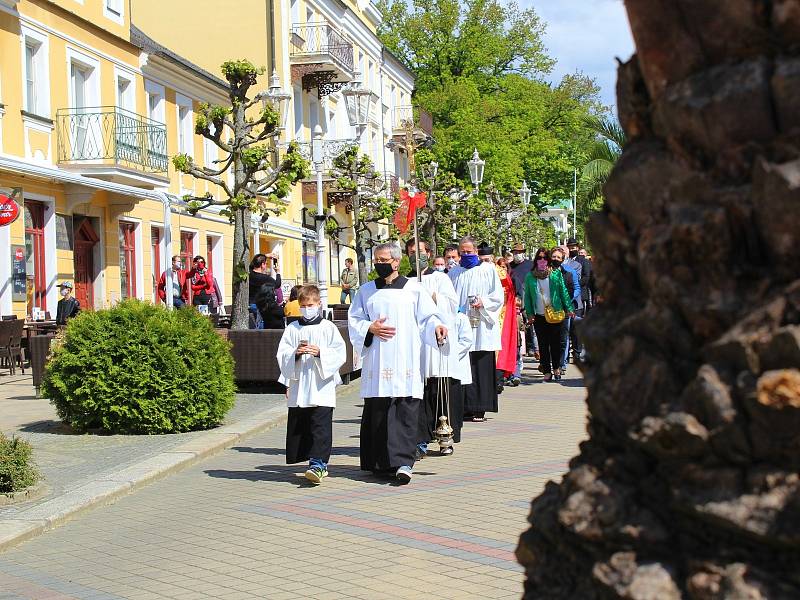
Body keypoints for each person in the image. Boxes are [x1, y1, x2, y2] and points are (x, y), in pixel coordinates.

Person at [348, 242, 447, 484]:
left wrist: (437, 326)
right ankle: (379, 463)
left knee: (404, 409)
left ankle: (404, 462)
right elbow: (355, 320)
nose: (379, 265)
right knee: (379, 410)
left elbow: (428, 317)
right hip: (378, 359)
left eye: (383, 260)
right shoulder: (366, 290)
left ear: (396, 261)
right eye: (376, 261)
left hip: (405, 358)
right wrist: (369, 328)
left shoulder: (414, 289)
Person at [276, 285, 347, 484]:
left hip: (321, 385)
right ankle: (309, 459)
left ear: (319, 304)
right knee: (304, 424)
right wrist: (295, 354)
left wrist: (320, 352)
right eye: (303, 305)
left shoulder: (328, 327)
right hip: (300, 384)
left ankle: (319, 464)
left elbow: (340, 353)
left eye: (311, 305)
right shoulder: (292, 328)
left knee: (320, 425)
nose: (307, 308)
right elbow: (282, 354)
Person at [451, 238, 504, 422]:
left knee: (480, 365)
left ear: (476, 252)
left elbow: (498, 296)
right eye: (462, 252)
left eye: (469, 252)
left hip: (482, 324)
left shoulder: (488, 270)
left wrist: (484, 303)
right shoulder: (455, 272)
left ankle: (480, 407)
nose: (466, 255)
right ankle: (464, 406)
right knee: (463, 365)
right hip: (462, 324)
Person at [415, 257, 461, 459]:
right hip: (415, 347)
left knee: (441, 392)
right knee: (419, 397)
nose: (417, 256)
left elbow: (452, 305)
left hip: (436, 344)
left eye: (421, 252)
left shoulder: (440, 279)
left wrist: (433, 297)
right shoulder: (407, 282)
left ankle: (445, 438)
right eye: (413, 251)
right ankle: (420, 441)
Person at [524, 249, 574, 382]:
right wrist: (529, 314)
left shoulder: (555, 274)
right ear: (536, 260)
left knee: (555, 343)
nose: (542, 260)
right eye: (539, 258)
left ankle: (557, 367)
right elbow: (527, 297)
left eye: (545, 258)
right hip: (539, 315)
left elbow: (563, 292)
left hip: (555, 314)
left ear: (549, 260)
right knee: (543, 344)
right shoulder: (530, 276)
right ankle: (546, 370)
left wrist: (569, 308)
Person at [553, 247, 580, 373]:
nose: (556, 259)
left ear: (563, 259)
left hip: (565, 308)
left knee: (563, 337)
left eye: (558, 257)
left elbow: (577, 288)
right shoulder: (547, 272)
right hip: (549, 308)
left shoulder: (570, 272)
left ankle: (561, 363)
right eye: (554, 257)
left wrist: (569, 300)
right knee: (552, 337)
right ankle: (553, 363)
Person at [495, 256, 520, 388]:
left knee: (502, 347)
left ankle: (499, 380)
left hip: (501, 317)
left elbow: (510, 295)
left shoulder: (506, 278)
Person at [249, 254, 282, 328]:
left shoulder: (249, 274)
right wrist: (278, 272)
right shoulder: (265, 278)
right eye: (266, 263)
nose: (266, 265)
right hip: (261, 306)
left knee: (253, 325)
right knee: (260, 325)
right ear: (262, 264)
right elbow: (277, 284)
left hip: (250, 304)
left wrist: (265, 256)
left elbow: (251, 264)